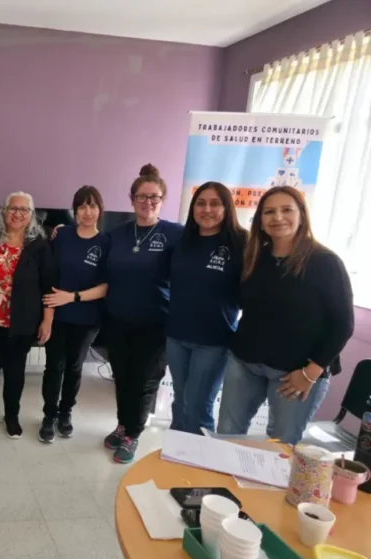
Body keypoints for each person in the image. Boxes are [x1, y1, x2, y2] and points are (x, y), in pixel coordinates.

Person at [217, 186, 354, 445]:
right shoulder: (254, 257)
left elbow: (343, 325)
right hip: (245, 364)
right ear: (260, 220)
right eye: (269, 211)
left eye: (286, 210)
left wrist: (310, 373)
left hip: (297, 373)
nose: (277, 217)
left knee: (279, 447)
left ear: (302, 214)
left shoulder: (325, 262)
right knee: (227, 434)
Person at [102, 164, 183, 463]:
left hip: (155, 325)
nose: (148, 202)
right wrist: (61, 231)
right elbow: (91, 244)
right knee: (122, 377)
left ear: (162, 200)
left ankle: (133, 434)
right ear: (132, 199)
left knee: (144, 381)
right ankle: (123, 424)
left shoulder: (176, 234)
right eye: (141, 196)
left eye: (154, 197)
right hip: (118, 321)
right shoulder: (118, 234)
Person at [0, 191, 56, 439]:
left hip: (21, 323)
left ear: (31, 215)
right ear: (3, 212)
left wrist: (47, 320)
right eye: (12, 208)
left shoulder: (39, 245)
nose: (17, 214)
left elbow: (49, 285)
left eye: (23, 210)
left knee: (15, 372)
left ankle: (11, 417)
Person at [166, 182, 248, 435]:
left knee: (198, 406)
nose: (207, 209)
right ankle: (174, 455)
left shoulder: (242, 243)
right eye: (200, 203)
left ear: (227, 208)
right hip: (177, 336)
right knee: (180, 401)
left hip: (213, 341)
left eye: (215, 203)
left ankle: (197, 465)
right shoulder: (183, 241)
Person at [39, 186, 109, 443]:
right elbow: (50, 278)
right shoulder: (61, 235)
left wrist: (73, 296)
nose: (87, 211)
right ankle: (49, 415)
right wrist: (48, 317)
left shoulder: (106, 243)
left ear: (100, 209)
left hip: (87, 319)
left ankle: (65, 413)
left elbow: (105, 287)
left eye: (92, 206)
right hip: (58, 316)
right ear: (75, 210)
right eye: (82, 206)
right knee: (53, 367)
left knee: (74, 367)